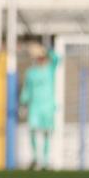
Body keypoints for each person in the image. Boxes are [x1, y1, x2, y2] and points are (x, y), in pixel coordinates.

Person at [20, 42, 59, 170]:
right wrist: (23, 102)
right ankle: (35, 158)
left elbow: (57, 58)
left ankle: (45, 161)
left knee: (47, 132)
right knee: (33, 130)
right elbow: (27, 88)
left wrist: (45, 50)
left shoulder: (50, 69)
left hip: (48, 106)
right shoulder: (31, 72)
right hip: (35, 106)